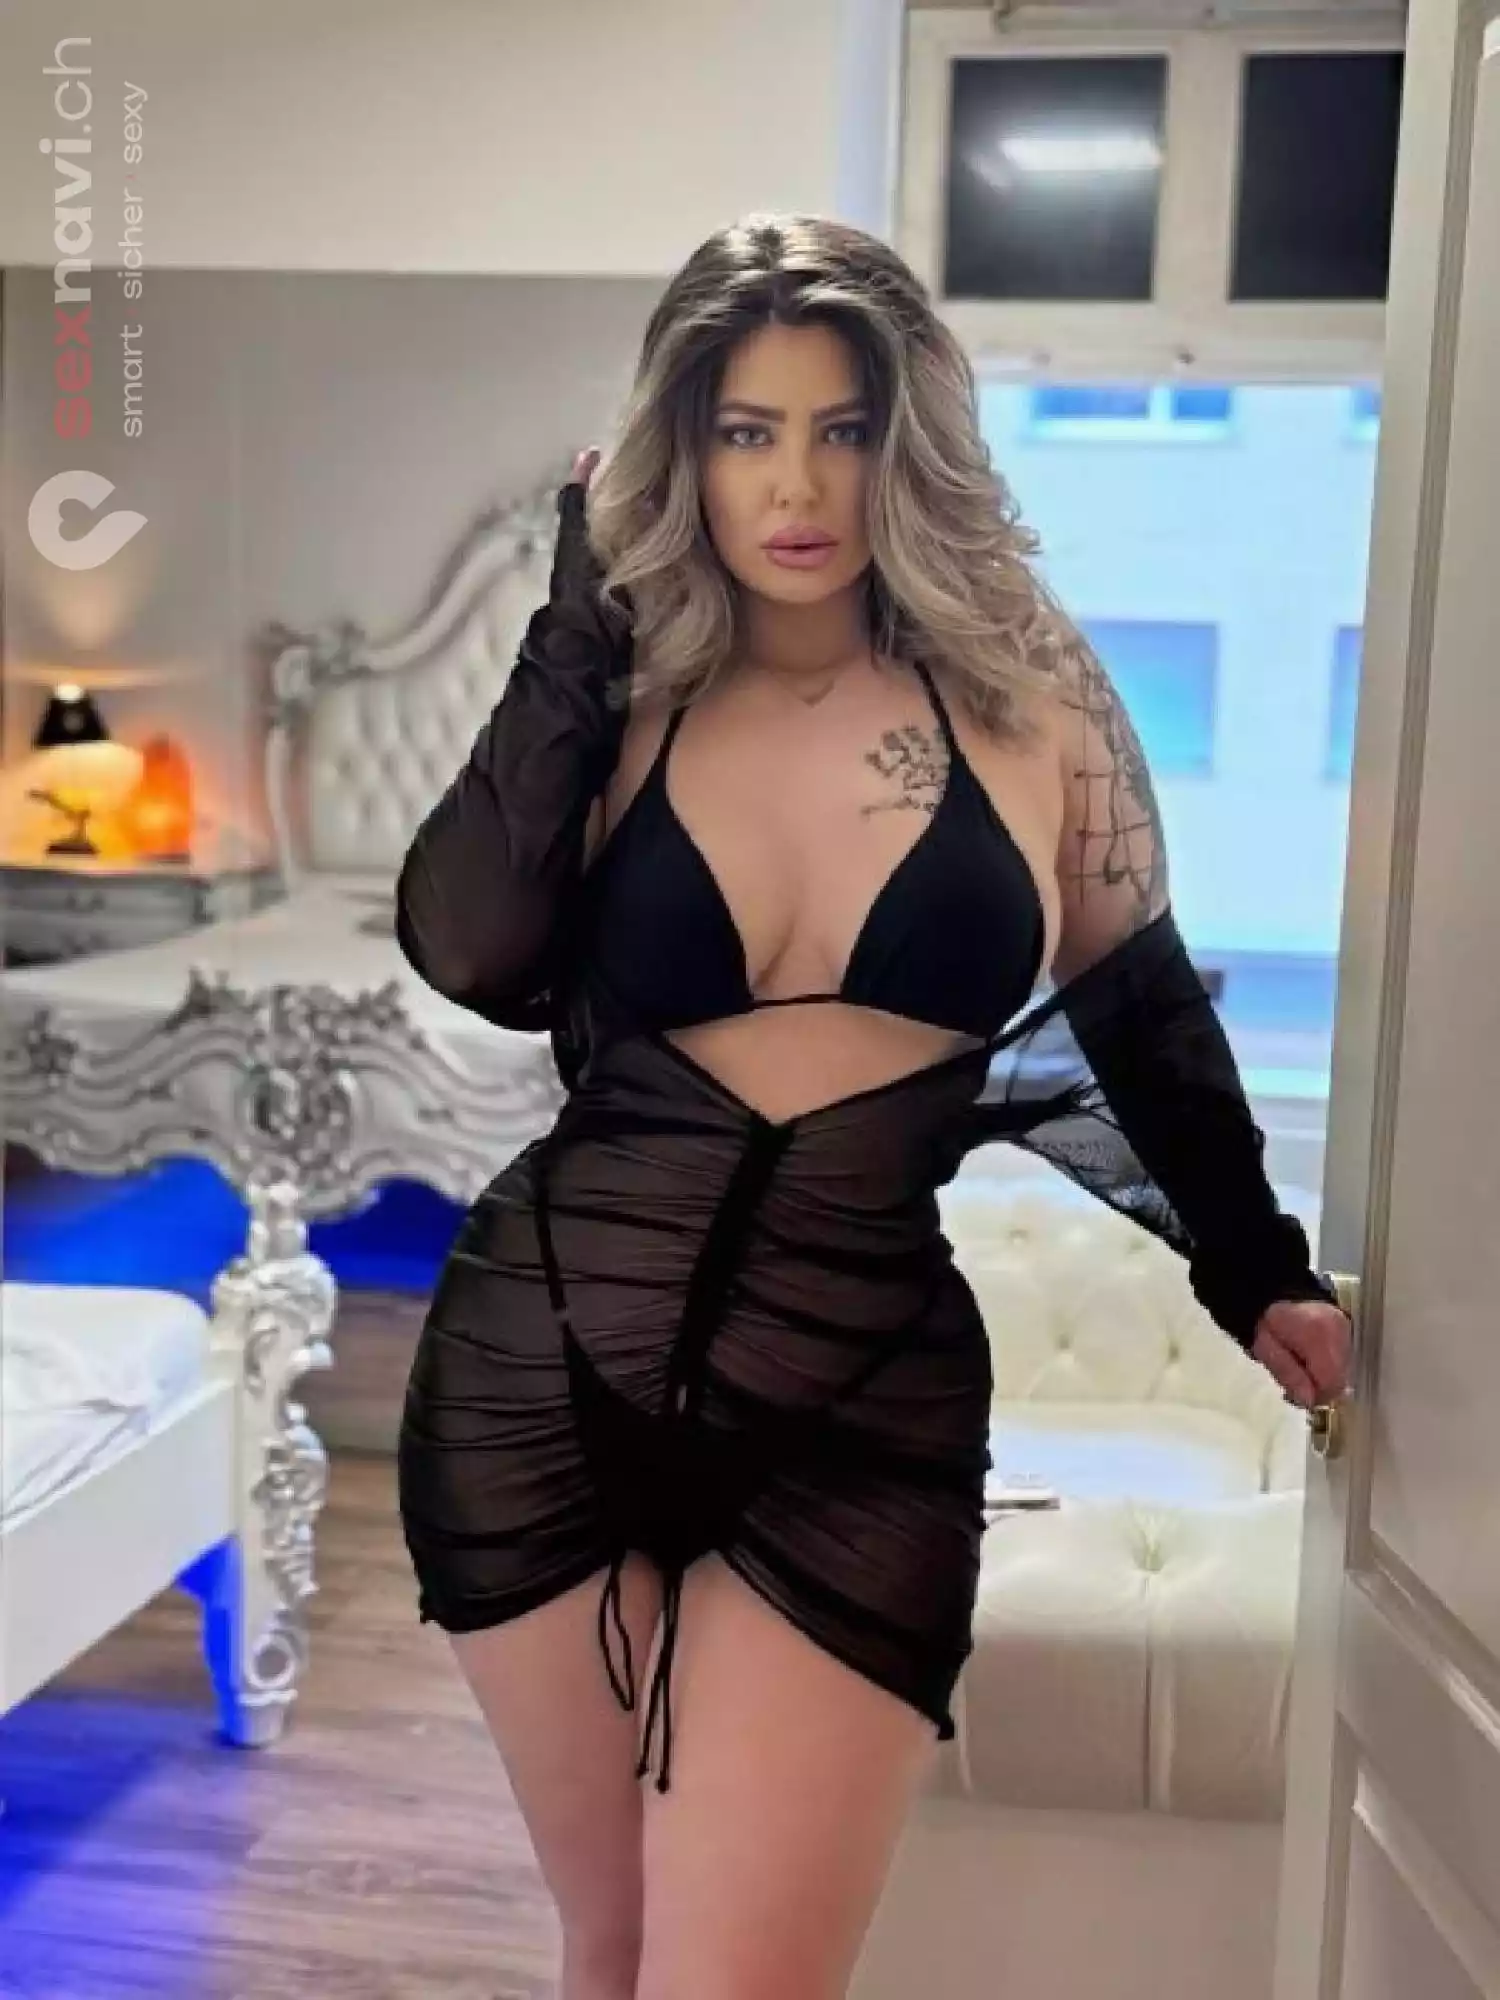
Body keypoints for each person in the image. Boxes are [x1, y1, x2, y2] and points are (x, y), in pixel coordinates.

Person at [394, 213, 1351, 2000]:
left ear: (908, 441)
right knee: (612, 1950)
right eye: (744, 431)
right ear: (683, 449)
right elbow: (467, 941)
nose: (796, 484)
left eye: (841, 428)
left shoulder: (1030, 695)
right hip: (543, 1367)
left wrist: (1258, 1270)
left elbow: (1142, 1012)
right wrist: (574, 613)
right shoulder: (621, 688)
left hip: (859, 1404)